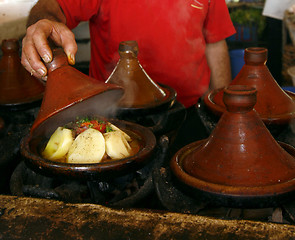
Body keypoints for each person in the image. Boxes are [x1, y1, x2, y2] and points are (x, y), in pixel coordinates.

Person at [21, 0, 236, 152]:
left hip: (189, 114)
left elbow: (215, 43)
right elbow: (51, 6)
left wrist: (224, 113)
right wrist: (43, 23)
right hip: (114, 119)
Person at [262, 0, 295, 86]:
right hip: (277, 14)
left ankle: (276, 85)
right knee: (276, 51)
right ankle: (275, 86)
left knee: (277, 51)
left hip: (279, 12)